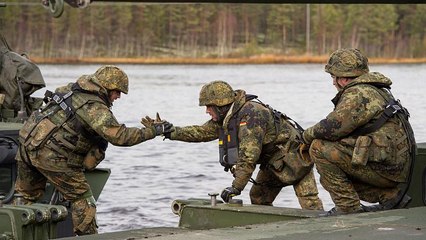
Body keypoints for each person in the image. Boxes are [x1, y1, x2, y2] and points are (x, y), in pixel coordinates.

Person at [14, 65, 173, 235]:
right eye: (117, 91)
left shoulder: (70, 89)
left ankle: (12, 234)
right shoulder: (94, 107)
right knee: (84, 201)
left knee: (24, 198)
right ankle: (88, 237)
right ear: (106, 87)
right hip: (52, 156)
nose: (118, 96)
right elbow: (121, 137)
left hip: (27, 147)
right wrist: (155, 131)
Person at [152, 80, 323, 210]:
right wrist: (169, 131)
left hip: (296, 157)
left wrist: (236, 187)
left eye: (208, 107)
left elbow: (248, 155)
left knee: (310, 203)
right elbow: (201, 132)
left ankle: (327, 231)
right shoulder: (227, 117)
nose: (206, 111)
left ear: (220, 105)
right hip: (273, 162)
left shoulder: (251, 115)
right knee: (258, 197)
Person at [303, 48, 416, 216]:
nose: (333, 82)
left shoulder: (359, 93)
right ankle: (390, 197)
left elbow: (331, 127)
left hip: (387, 169)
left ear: (343, 78)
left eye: (333, 77)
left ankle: (348, 208)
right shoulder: (376, 90)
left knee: (319, 148)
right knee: (330, 175)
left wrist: (305, 136)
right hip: (395, 167)